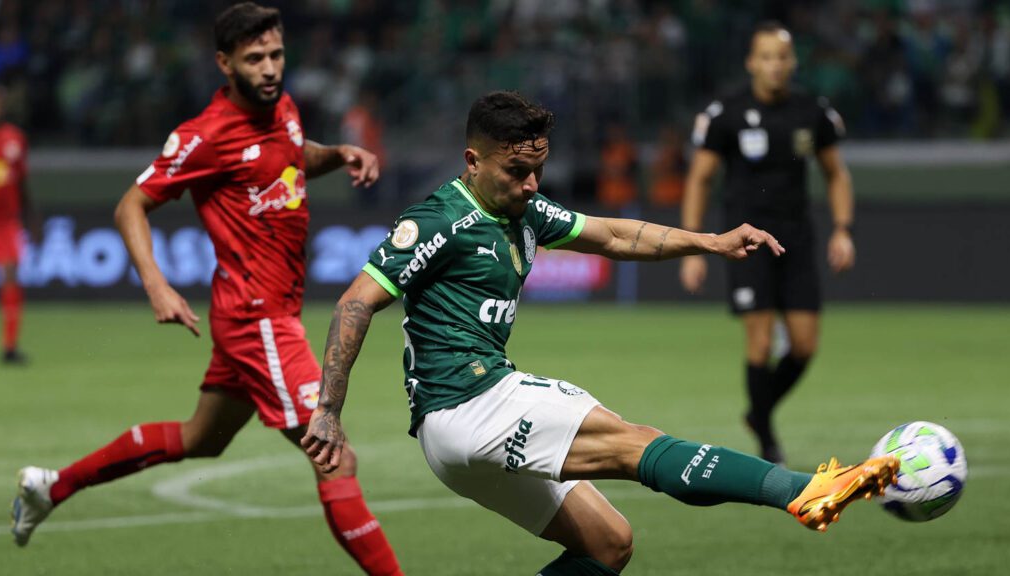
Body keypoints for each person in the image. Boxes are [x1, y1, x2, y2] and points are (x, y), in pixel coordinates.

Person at [301, 91, 896, 574]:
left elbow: (614, 236)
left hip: (453, 442)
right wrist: (329, 407)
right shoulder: (439, 219)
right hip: (471, 400)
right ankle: (802, 489)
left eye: (538, 170)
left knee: (609, 543)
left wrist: (709, 242)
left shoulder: (524, 209)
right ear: (472, 161)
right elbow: (355, 302)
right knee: (638, 442)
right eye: (516, 171)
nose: (532, 184)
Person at [10, 5, 403, 575]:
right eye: (254, 59)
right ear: (225, 64)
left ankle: (52, 487)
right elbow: (131, 206)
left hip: (260, 315)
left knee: (201, 438)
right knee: (334, 456)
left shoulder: (284, 108)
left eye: (276, 55)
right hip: (258, 319)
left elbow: (292, 157)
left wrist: (338, 154)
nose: (269, 69)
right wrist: (157, 285)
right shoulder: (205, 136)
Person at [680, 22, 856, 464]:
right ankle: (767, 440)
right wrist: (696, 247)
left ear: (792, 63)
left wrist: (842, 228)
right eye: (766, 57)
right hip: (747, 243)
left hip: (796, 238)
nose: (775, 65)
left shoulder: (811, 112)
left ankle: (758, 413)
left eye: (783, 57)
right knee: (759, 343)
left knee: (804, 346)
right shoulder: (727, 113)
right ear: (751, 62)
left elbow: (836, 173)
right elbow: (700, 179)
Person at [0, 83, 34, 364]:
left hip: (4, 221)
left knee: (10, 275)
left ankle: (9, 346)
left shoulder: (13, 139)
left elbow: (22, 182)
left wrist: (31, 217)